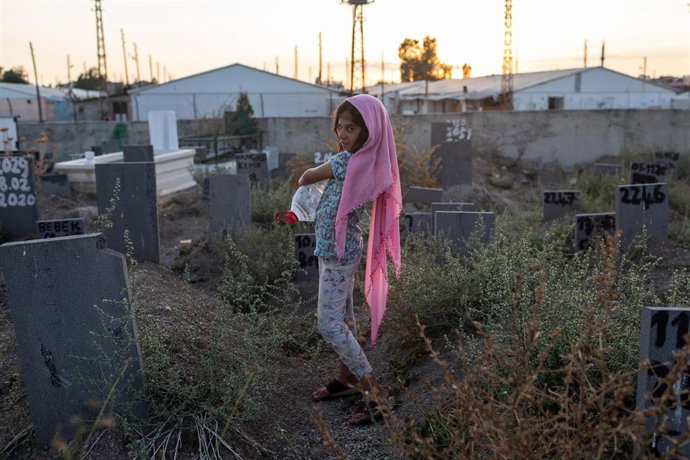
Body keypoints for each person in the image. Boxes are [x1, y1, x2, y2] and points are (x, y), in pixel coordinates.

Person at [298, 94, 402, 425]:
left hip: (337, 251)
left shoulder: (346, 162)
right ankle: (346, 378)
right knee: (344, 317)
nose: (343, 135)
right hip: (339, 248)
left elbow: (306, 177)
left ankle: (375, 392)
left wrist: (313, 176)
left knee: (328, 324)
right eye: (339, 128)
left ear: (368, 131)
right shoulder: (373, 163)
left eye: (351, 128)